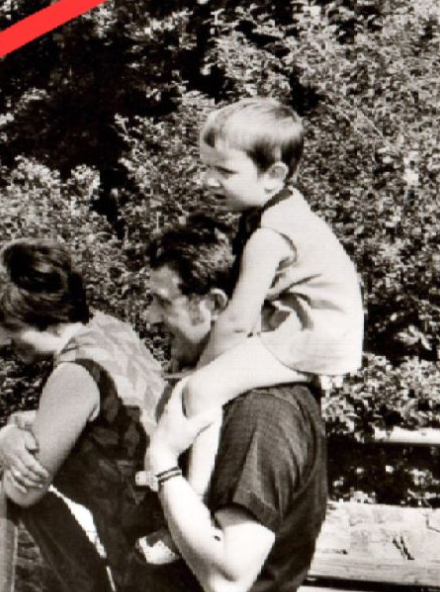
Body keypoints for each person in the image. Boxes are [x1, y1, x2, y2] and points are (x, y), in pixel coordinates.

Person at [137, 216, 328, 592]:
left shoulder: (262, 413)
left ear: (216, 305)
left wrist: (162, 466)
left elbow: (228, 577)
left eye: (162, 301)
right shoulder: (225, 393)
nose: (150, 316)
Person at [152, 98, 361, 558]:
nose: (208, 181)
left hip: (310, 334)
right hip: (312, 328)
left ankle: (192, 511)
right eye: (206, 167)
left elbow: (238, 320)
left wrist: (197, 375)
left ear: (274, 175)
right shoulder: (277, 211)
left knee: (202, 392)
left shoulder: (270, 235)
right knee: (208, 388)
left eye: (224, 172)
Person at [0, 239, 169, 592]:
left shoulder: (74, 373)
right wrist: (12, 430)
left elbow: (26, 485)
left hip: (149, 570)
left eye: (10, 327)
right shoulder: (109, 331)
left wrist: (6, 441)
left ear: (44, 316)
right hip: (169, 544)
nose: (5, 342)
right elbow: (86, 424)